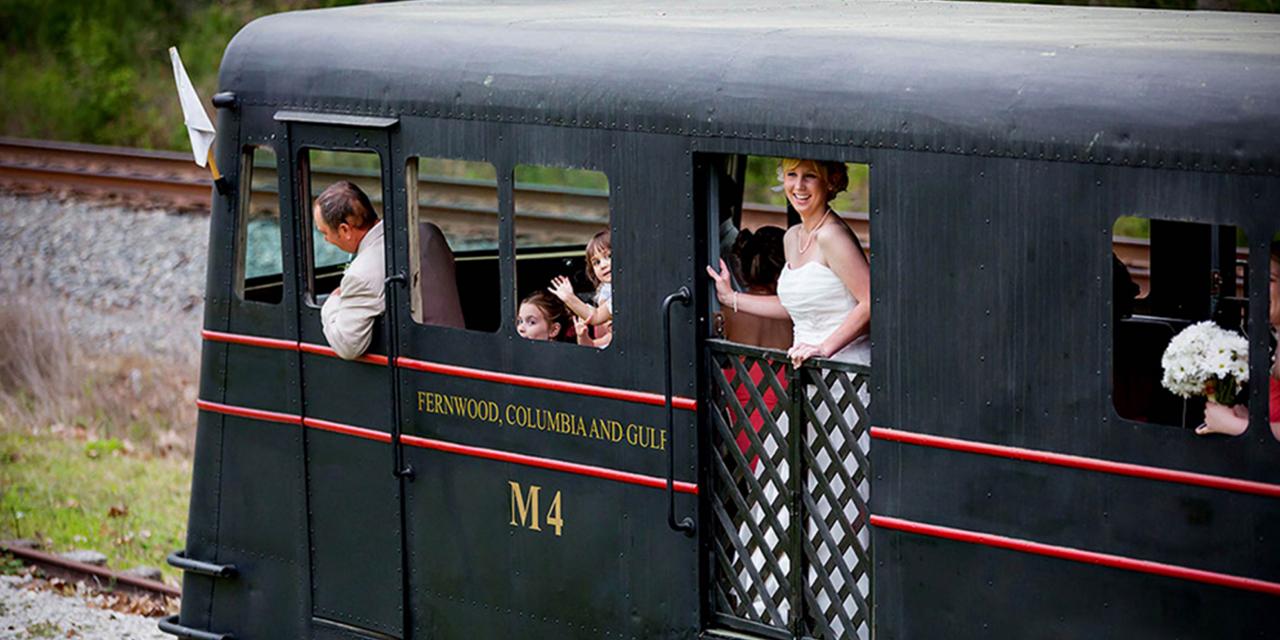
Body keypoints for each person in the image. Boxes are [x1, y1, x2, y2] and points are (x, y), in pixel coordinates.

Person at [706, 158, 870, 367]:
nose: (799, 186)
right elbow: (796, 304)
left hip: (843, 370)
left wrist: (824, 348)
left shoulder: (832, 235)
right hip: (809, 368)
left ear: (831, 181)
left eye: (810, 176)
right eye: (792, 175)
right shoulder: (792, 237)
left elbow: (870, 302)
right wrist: (730, 298)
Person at [315, 181, 384, 360]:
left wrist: (332, 302)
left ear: (345, 230)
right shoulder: (427, 233)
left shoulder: (359, 276)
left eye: (325, 232)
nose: (326, 240)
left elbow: (347, 346)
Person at [550, 229, 613, 348]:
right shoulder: (606, 290)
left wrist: (569, 298)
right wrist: (582, 335)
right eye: (597, 262)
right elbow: (592, 344)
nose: (604, 265)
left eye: (609, 256)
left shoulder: (624, 293)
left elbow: (595, 316)